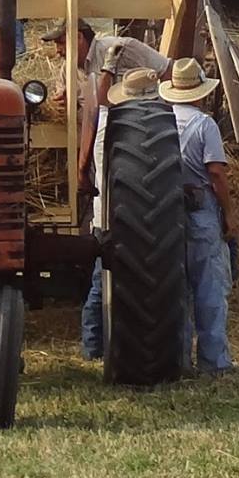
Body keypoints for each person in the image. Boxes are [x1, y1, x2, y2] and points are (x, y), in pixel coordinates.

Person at [80, 67, 163, 361]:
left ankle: (96, 345)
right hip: (112, 216)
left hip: (114, 213)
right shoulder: (112, 127)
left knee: (105, 282)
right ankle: (93, 345)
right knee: (101, 282)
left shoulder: (105, 121)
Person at [161, 58, 236, 376]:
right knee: (209, 287)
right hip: (201, 207)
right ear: (200, 92)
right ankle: (214, 361)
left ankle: (178, 359)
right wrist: (229, 213)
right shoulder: (205, 124)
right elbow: (216, 172)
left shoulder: (162, 120)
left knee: (177, 288)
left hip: (167, 210)